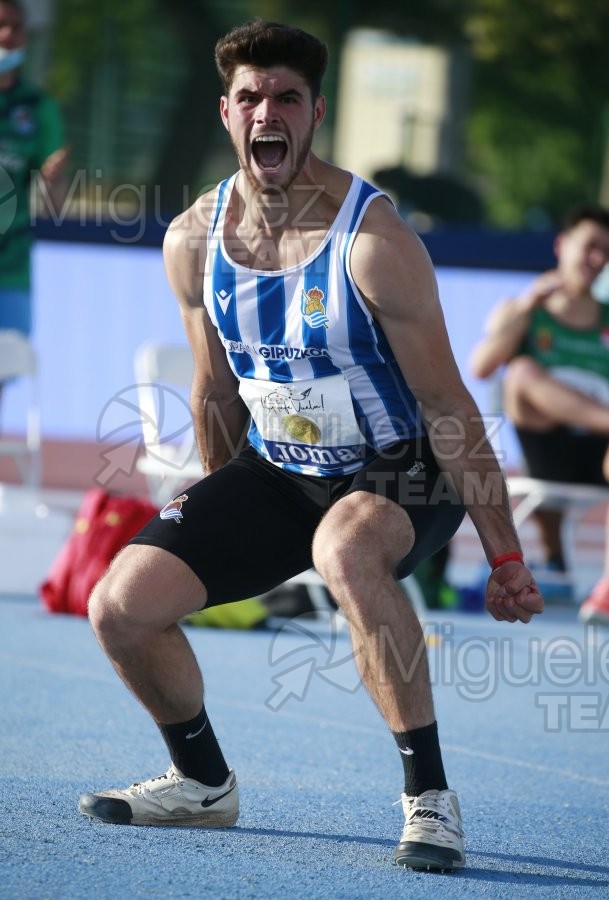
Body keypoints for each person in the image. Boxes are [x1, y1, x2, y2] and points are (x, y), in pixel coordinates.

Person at [78, 20, 543, 872]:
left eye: (285, 97)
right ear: (226, 113)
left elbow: (447, 403)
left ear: (314, 112)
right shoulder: (191, 240)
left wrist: (504, 553)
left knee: (344, 545)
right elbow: (215, 388)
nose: (267, 112)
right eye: (250, 97)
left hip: (403, 465)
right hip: (280, 470)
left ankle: (429, 798)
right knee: (119, 605)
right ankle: (203, 784)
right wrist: (218, 518)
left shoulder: (373, 243)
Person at [469, 204, 609, 626]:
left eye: (606, 252)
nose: (597, 260)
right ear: (562, 246)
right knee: (521, 374)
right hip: (547, 444)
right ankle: (554, 559)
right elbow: (481, 366)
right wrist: (528, 306)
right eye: (590, 247)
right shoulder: (526, 308)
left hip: (597, 454)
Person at [0, 0, 67, 355]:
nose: (8, 34)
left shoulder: (39, 107)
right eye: (1, 24)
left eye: (16, 26)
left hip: (10, 270)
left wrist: (51, 180)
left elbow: (56, 206)